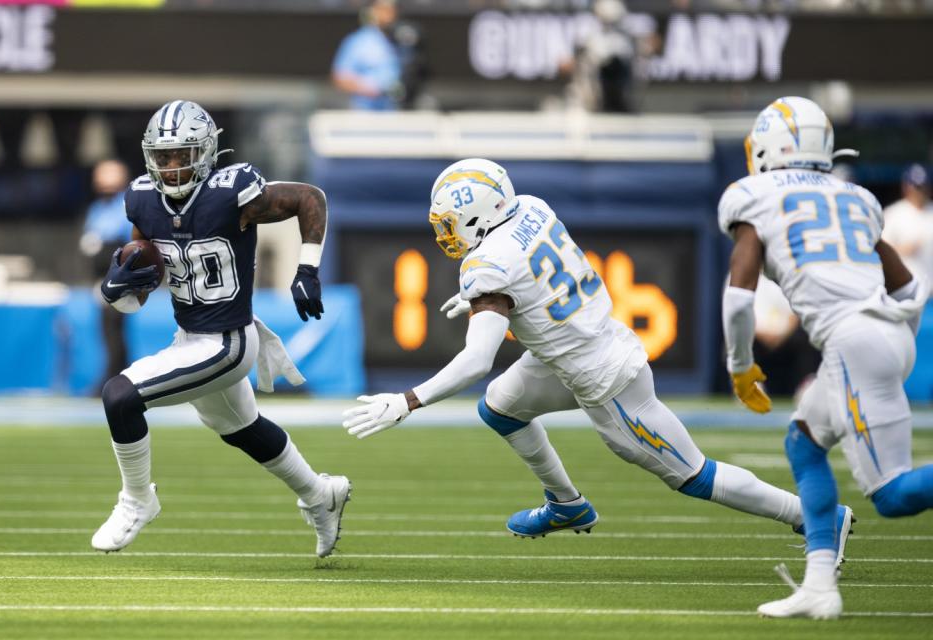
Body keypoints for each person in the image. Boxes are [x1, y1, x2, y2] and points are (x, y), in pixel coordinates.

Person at [341, 158, 851, 554]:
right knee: (500, 404)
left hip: (605, 380)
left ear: (478, 214)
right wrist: (482, 301)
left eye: (451, 220)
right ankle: (566, 504)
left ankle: (815, 516)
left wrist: (407, 400)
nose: (446, 231)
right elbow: (531, 278)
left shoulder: (487, 262)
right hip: (580, 345)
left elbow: (476, 360)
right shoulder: (532, 207)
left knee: (693, 475)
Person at [91, 99, 349, 558]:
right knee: (242, 429)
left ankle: (137, 500)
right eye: (164, 156)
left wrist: (307, 268)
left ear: (207, 152)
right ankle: (319, 494)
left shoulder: (230, 191)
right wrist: (120, 285)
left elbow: (311, 198)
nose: (172, 167)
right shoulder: (142, 199)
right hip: (190, 337)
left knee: (120, 396)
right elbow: (144, 279)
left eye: (182, 154)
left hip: (228, 342)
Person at [720, 96, 932, 619]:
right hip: (883, 333)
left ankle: (820, 586)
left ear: (770, 145)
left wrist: (741, 364)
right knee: (805, 442)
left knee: (892, 495)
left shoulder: (753, 193)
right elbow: (907, 287)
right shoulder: (855, 196)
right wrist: (889, 335)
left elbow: (738, 297)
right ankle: (819, 586)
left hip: (853, 340)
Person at [79, 159, 133, 390]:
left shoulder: (125, 206)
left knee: (115, 327)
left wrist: (101, 249)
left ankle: (116, 377)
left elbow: (126, 246)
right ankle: (114, 376)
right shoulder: (97, 209)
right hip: (100, 276)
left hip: (118, 275)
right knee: (106, 329)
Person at [331, 0, 402, 111]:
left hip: (394, 112)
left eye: (391, 9)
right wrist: (370, 88)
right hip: (364, 113)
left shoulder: (402, 39)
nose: (388, 14)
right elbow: (340, 78)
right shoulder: (358, 41)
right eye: (382, 9)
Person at [881, 163, 933, 284]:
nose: (920, 192)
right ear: (906, 187)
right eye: (916, 187)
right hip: (905, 290)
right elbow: (880, 252)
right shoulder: (893, 214)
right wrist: (901, 250)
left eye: (923, 187)